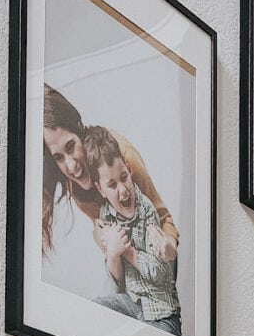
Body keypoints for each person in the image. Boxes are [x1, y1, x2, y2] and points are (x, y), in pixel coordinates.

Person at [41, 85, 178, 259]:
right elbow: (101, 223)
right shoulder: (72, 181)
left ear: (78, 128)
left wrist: (169, 245)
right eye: (59, 157)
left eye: (71, 146)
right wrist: (98, 236)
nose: (72, 165)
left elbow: (164, 217)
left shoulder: (124, 157)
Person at [83, 126, 182, 336]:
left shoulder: (146, 210)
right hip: (132, 302)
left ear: (128, 169)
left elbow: (159, 272)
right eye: (111, 185)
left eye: (124, 177)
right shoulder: (106, 214)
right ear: (100, 189)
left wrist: (127, 252)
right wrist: (113, 254)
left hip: (160, 312)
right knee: (92, 310)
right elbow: (118, 283)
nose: (123, 189)